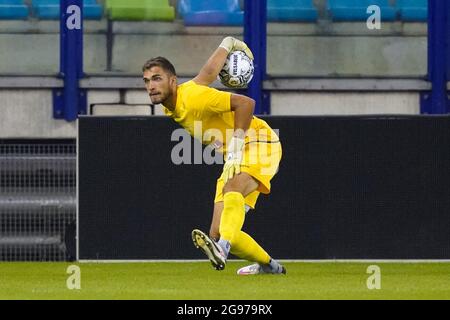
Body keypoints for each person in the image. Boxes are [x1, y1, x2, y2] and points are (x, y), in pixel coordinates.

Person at [142, 37, 285, 275]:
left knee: (232, 191)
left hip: (259, 142)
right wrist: (227, 44)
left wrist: (237, 148)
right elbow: (207, 75)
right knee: (218, 230)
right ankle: (269, 266)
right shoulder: (176, 100)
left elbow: (246, 104)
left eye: (156, 79)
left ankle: (223, 250)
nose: (151, 86)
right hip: (237, 152)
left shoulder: (194, 98)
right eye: (146, 81)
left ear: (172, 81)